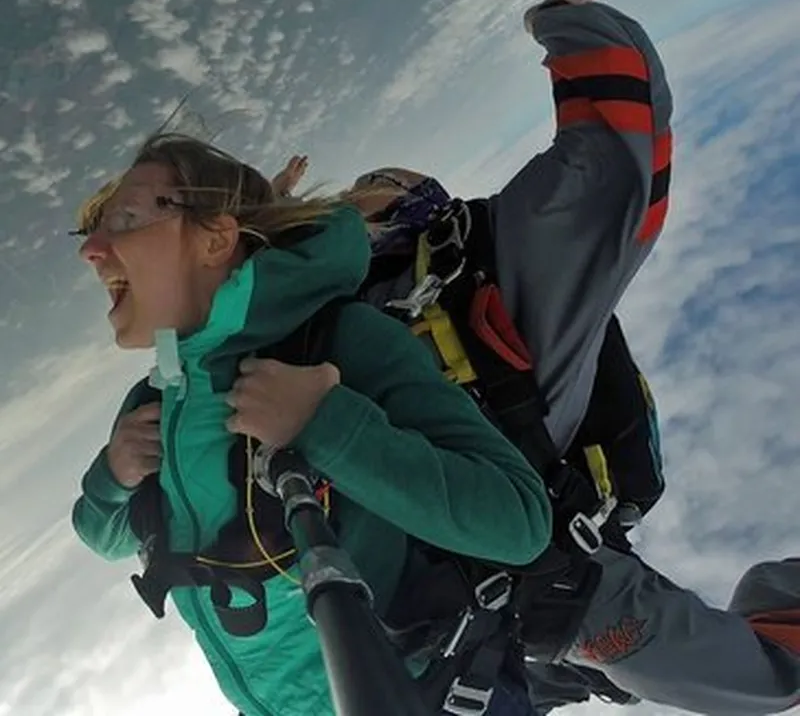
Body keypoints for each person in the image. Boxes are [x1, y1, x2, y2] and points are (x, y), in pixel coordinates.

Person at [275, 0, 800, 715]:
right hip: (429, 616)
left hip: (551, 588)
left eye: (369, 186)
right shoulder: (314, 313)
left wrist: (567, 23)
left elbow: (614, 162)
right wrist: (262, 247)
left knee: (768, 679)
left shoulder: (490, 260)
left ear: (418, 198)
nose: (342, 201)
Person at [69, 134, 554, 716]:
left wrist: (329, 423)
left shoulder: (337, 342)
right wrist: (112, 475)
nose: (91, 250)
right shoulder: (154, 402)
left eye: (124, 218)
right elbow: (108, 537)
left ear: (217, 238)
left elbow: (520, 521)